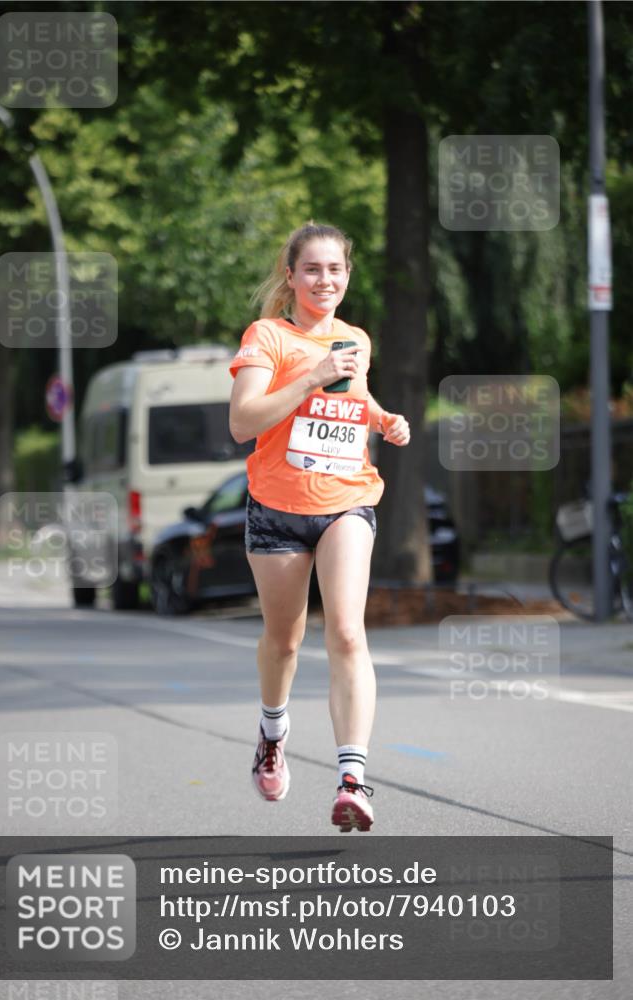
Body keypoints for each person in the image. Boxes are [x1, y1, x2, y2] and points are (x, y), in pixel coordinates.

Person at [229, 222, 410, 832]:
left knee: (348, 633)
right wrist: (310, 374)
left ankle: (352, 781)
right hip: (277, 509)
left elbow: (352, 398)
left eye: (335, 269)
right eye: (312, 269)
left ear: (347, 276)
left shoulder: (355, 339)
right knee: (284, 642)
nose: (324, 280)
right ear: (291, 276)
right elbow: (242, 422)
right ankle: (272, 732)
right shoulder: (267, 337)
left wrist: (382, 419)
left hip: (346, 501)